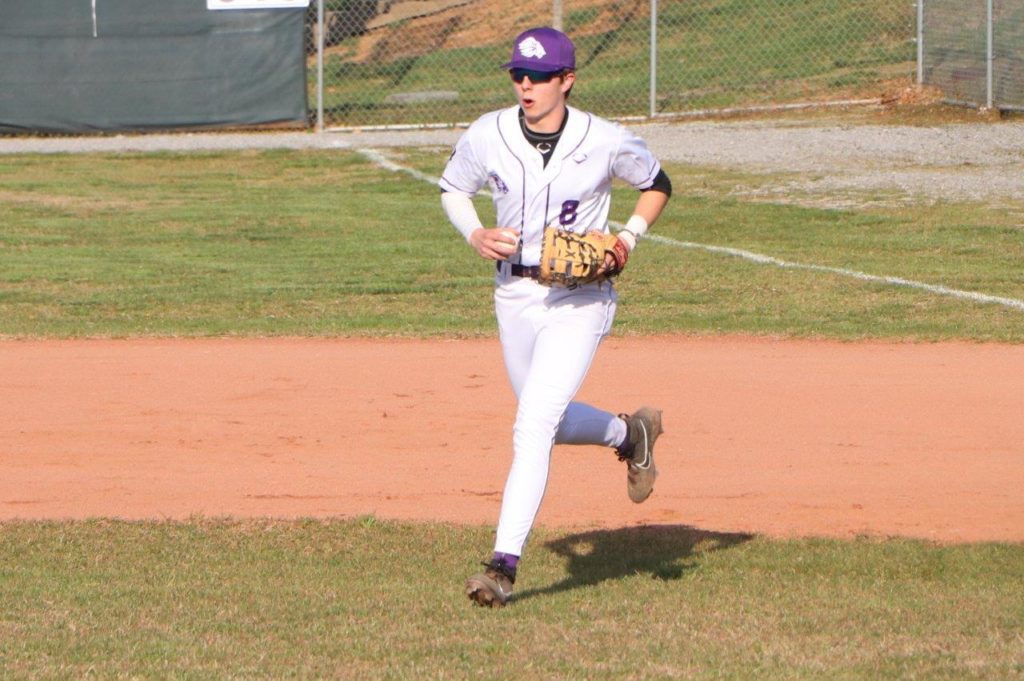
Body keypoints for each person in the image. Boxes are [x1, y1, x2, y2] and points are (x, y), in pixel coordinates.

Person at [439, 26, 673, 608]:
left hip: (581, 299)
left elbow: (656, 183)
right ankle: (630, 433)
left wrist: (626, 239)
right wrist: (474, 232)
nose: (526, 85)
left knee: (532, 425)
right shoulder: (488, 132)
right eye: (519, 75)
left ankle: (502, 567)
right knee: (545, 420)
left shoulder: (604, 138)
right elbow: (453, 189)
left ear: (567, 80)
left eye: (540, 77)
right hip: (514, 295)